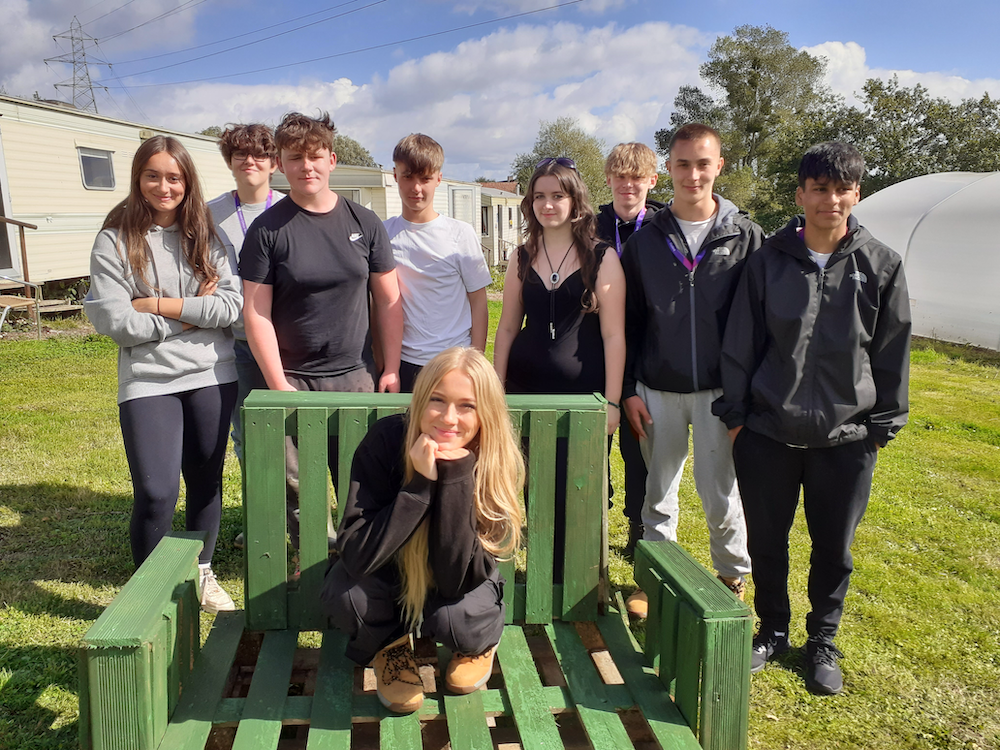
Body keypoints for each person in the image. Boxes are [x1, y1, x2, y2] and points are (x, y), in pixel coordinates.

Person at [712, 141, 911, 695]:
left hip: (845, 440)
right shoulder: (766, 261)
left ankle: (822, 638)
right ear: (800, 194)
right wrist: (737, 419)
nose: (831, 199)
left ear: (856, 194)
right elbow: (740, 345)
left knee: (834, 547)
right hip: (768, 433)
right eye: (819, 189)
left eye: (842, 189)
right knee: (767, 543)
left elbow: (892, 352)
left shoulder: (881, 265)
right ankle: (772, 628)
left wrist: (880, 428)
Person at [85, 135, 241, 614]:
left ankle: (201, 572)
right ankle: (150, 591)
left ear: (187, 181)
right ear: (138, 178)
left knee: (205, 481)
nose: (164, 186)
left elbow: (232, 306)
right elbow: (116, 321)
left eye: (174, 177)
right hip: (149, 380)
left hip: (213, 375)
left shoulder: (208, 237)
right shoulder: (115, 239)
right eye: (153, 175)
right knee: (156, 491)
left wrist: (154, 305)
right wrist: (193, 315)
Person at [322, 347, 523, 714]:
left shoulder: (491, 458)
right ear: (419, 400)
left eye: (467, 406)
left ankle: (478, 645)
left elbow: (454, 580)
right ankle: (391, 647)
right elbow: (356, 555)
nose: (449, 418)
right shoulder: (385, 440)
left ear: (485, 415)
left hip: (459, 583)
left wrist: (457, 476)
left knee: (455, 619)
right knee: (346, 595)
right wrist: (418, 488)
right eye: (437, 400)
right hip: (387, 574)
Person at [240, 112, 403, 549]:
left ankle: (360, 559)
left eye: (314, 156)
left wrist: (388, 368)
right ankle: (312, 561)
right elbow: (255, 313)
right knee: (297, 486)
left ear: (332, 159)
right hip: (293, 378)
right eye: (295, 158)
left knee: (360, 478)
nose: (306, 166)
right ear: (281, 164)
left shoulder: (364, 223)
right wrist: (278, 385)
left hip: (355, 375)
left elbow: (388, 300)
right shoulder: (266, 230)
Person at [621, 123, 762, 618]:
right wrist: (627, 390)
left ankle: (731, 577)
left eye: (703, 163)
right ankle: (655, 579)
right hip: (656, 388)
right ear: (669, 169)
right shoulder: (644, 242)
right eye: (683, 164)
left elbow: (758, 322)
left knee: (720, 493)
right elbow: (630, 322)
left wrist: (746, 395)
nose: (693, 174)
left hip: (719, 392)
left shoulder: (746, 235)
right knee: (657, 494)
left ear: (719, 166)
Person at [493, 157, 626, 579]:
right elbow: (508, 327)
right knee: (532, 488)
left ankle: (585, 577)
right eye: (539, 197)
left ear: (575, 200)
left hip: (583, 398)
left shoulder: (601, 257)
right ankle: (540, 577)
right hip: (524, 392)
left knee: (582, 490)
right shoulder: (521, 257)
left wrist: (612, 401)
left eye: (557, 196)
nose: (547, 205)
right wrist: (495, 389)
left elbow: (614, 336)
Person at [596, 142, 664, 558]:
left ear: (652, 180)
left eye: (637, 177)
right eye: (620, 176)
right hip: (597, 350)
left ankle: (639, 530)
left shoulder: (665, 227)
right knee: (595, 445)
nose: (628, 184)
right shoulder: (590, 225)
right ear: (608, 180)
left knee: (639, 449)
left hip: (647, 351)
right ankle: (593, 523)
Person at [383, 134, 492, 391]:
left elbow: (479, 302)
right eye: (408, 176)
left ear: (439, 179)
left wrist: (475, 362)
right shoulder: (382, 234)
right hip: (403, 363)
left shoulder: (460, 233)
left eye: (425, 178)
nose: (416, 188)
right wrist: (386, 364)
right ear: (395, 176)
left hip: (452, 363)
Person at [207, 123, 284, 471]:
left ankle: (304, 519)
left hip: (285, 342)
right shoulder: (207, 214)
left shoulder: (289, 209)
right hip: (234, 342)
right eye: (241, 154)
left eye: (260, 154)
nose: (249, 161)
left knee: (293, 433)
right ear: (230, 161)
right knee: (246, 434)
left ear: (274, 163)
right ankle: (260, 521)